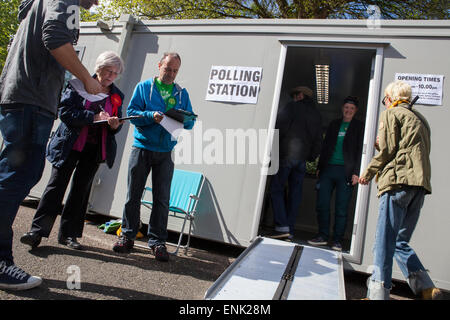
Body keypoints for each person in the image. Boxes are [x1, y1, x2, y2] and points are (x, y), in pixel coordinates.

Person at [0, 0, 101, 291]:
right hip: (33, 99)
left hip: (20, 93)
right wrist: (86, 80)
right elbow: (56, 39)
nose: (96, 2)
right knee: (17, 177)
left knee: (13, 175)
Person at [20, 51, 125, 251]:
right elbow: (65, 112)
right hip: (70, 144)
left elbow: (116, 124)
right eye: (108, 71)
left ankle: (69, 235)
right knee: (55, 187)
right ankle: (37, 232)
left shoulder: (117, 95)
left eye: (115, 73)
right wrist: (92, 117)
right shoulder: (79, 85)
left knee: (80, 192)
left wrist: (114, 125)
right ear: (98, 68)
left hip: (94, 149)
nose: (111, 76)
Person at [359, 80, 442, 300]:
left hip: (397, 184)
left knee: (383, 243)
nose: (385, 103)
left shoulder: (392, 113)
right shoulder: (421, 119)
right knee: (399, 242)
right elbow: (411, 149)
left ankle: (376, 295)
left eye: (386, 98)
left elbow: (388, 150)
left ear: (391, 97)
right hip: (419, 187)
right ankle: (427, 289)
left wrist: (367, 174)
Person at [112, 52, 196, 262]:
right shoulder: (143, 87)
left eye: (175, 70)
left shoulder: (181, 93)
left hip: (165, 152)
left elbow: (191, 122)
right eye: (167, 69)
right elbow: (131, 113)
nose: (171, 74)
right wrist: (152, 115)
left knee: (162, 199)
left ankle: (158, 242)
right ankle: (128, 236)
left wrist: (184, 119)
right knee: (134, 194)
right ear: (159, 66)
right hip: (141, 148)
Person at [308, 96, 364, 251]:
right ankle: (322, 236)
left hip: (346, 171)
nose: (348, 111)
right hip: (328, 169)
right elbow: (325, 146)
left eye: (351, 108)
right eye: (346, 107)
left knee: (341, 207)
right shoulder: (334, 124)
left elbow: (360, 151)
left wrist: (356, 172)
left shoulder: (359, 127)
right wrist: (319, 166)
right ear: (342, 108)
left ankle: (337, 240)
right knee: (322, 204)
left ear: (355, 111)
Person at [269, 86, 322, 241]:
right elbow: (319, 140)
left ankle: (282, 226)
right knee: (295, 194)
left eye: (294, 95)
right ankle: (290, 230)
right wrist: (311, 157)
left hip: (286, 156)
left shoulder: (292, 107)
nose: (293, 98)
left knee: (276, 189)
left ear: (300, 95)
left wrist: (274, 152)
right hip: (302, 161)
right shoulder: (317, 115)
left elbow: (279, 127)